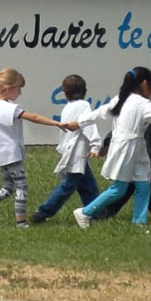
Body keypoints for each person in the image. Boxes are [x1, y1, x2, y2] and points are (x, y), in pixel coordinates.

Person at [0, 68, 78, 228]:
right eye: (18, 89)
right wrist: (57, 123)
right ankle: (20, 222)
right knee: (22, 188)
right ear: (9, 88)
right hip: (10, 154)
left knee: (7, 188)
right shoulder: (10, 108)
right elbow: (34, 117)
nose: (20, 93)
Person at [73, 66, 151, 229]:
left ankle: (139, 221)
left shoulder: (120, 98)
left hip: (135, 148)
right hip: (126, 148)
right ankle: (85, 212)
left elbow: (99, 112)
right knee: (118, 189)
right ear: (145, 84)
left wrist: (78, 122)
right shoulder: (142, 103)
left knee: (144, 185)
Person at [31, 74, 101, 223]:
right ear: (84, 90)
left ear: (64, 92)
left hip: (72, 151)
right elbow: (88, 125)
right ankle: (43, 212)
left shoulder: (66, 108)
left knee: (88, 186)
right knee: (68, 186)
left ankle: (96, 212)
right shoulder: (84, 106)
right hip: (78, 151)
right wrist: (96, 144)